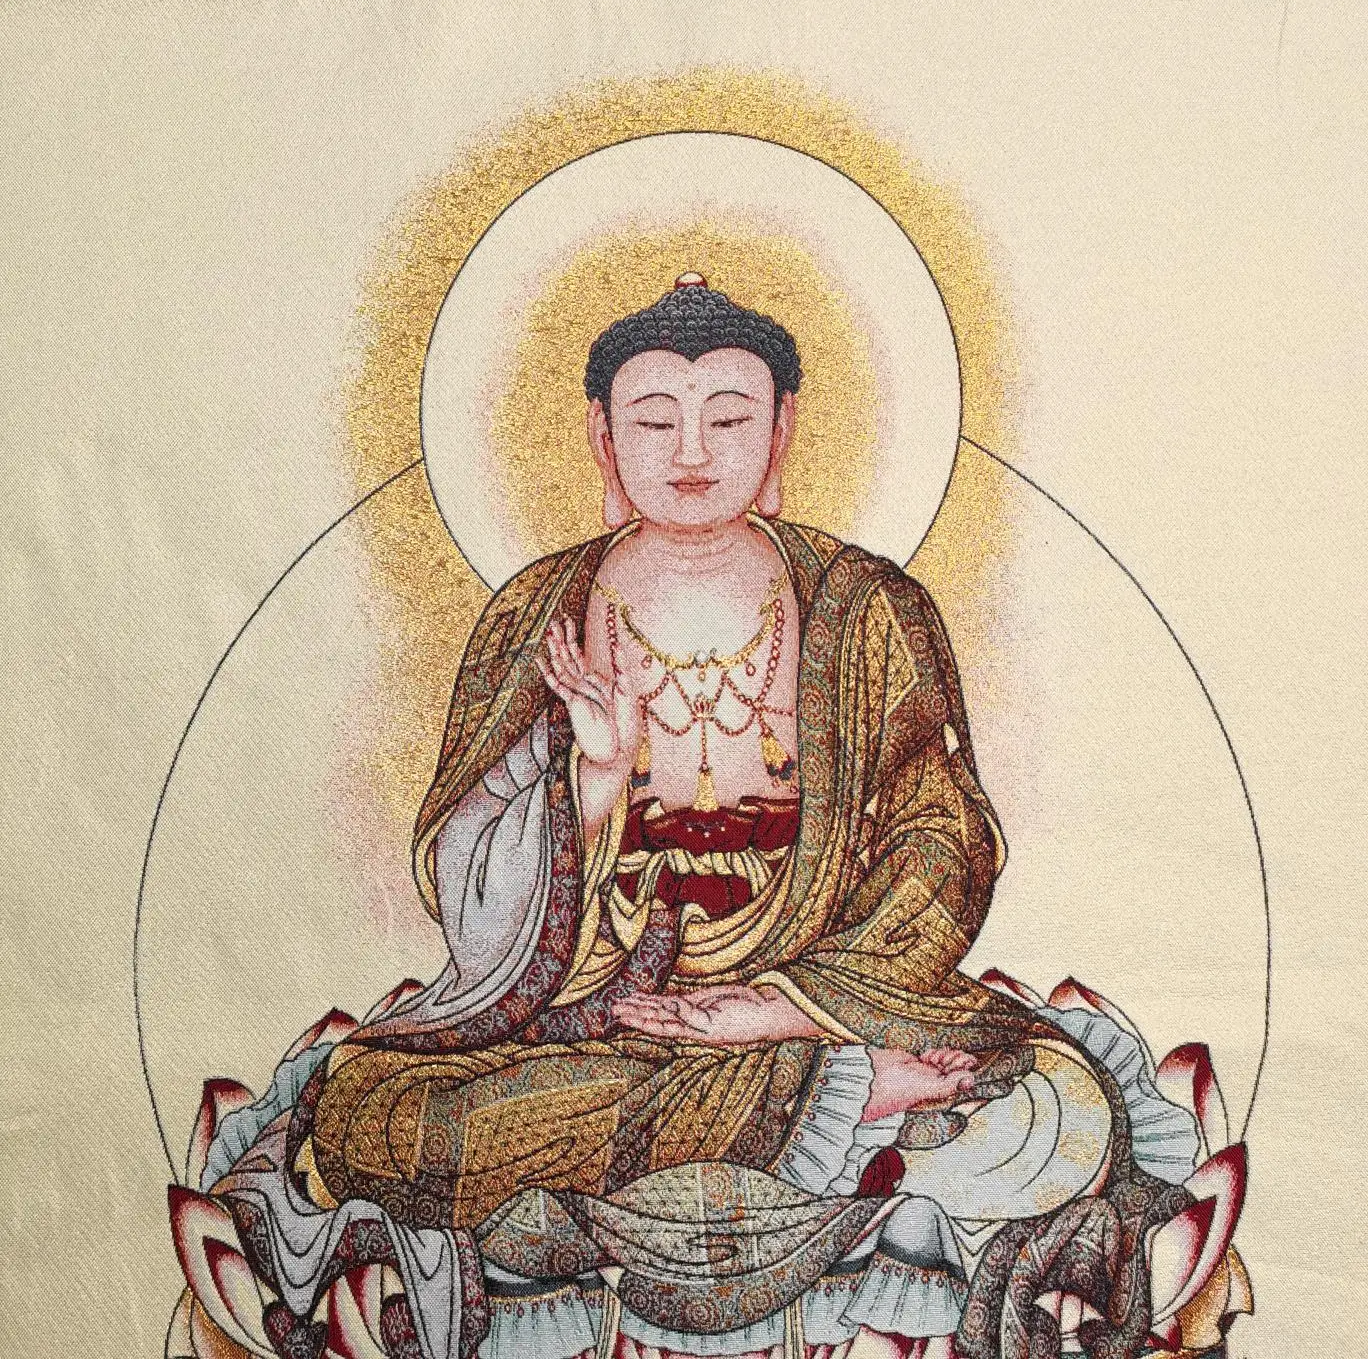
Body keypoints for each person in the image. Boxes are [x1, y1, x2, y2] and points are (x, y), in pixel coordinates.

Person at [200, 276, 1202, 1359]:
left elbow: (942, 843)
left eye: (727, 418)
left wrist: (786, 1006)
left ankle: (808, 1091)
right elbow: (469, 895)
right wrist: (593, 779)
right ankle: (835, 1103)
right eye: (653, 421)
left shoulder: (868, 611)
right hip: (593, 1016)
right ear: (601, 438)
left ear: (781, 433)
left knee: (1066, 1104)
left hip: (829, 998)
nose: (690, 451)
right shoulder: (537, 619)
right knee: (369, 1114)